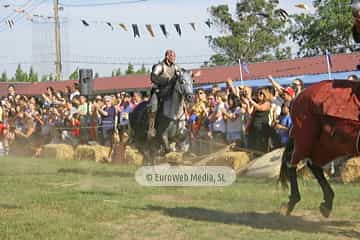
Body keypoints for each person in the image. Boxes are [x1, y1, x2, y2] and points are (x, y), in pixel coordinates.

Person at [148, 49, 181, 138]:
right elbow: (153, 77)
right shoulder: (160, 66)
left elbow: (181, 75)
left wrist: (191, 75)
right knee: (154, 107)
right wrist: (167, 81)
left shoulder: (176, 67)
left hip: (169, 92)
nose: (174, 58)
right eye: (172, 56)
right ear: (167, 56)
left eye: (174, 56)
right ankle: (151, 128)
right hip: (158, 91)